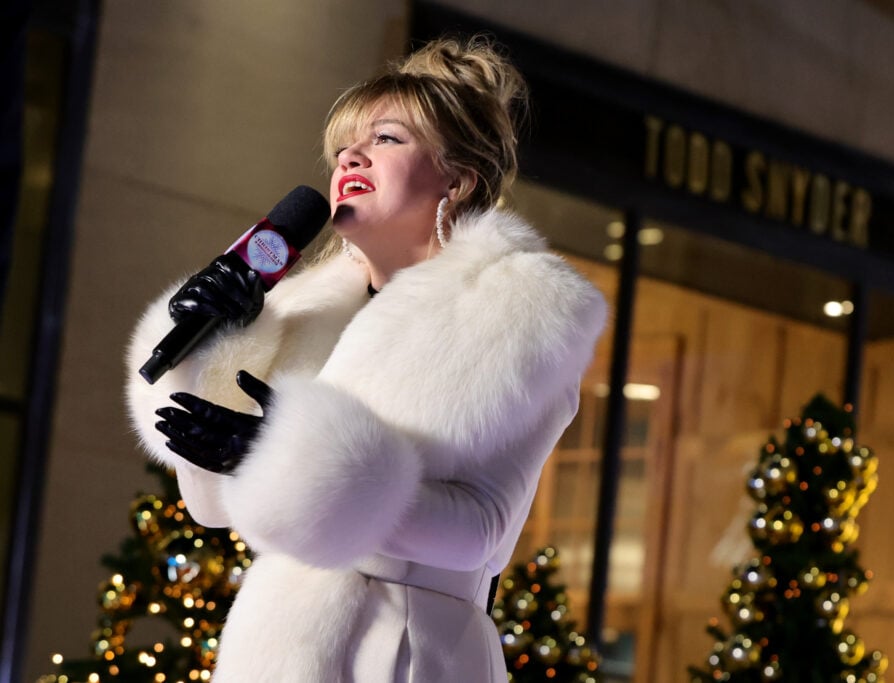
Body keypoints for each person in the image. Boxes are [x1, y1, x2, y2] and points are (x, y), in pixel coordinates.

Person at [125, 35, 606, 682]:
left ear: (458, 178)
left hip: (407, 651)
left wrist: (298, 465)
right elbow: (210, 506)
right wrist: (211, 349)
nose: (351, 155)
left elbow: (482, 533)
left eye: (385, 138)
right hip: (274, 651)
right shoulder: (296, 315)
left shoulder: (520, 315)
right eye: (343, 148)